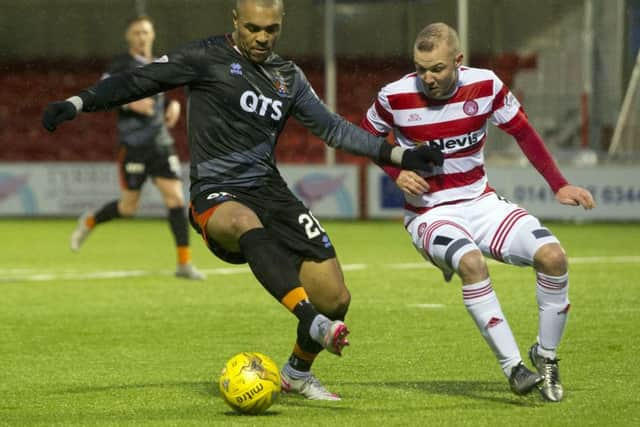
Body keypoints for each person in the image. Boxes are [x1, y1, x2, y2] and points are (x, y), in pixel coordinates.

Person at [42, 0, 442, 401]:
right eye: (253, 28)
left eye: (270, 29)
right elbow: (137, 81)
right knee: (242, 222)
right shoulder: (204, 57)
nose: (261, 37)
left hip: (269, 190)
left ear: (280, 26)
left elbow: (333, 129)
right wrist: (78, 103)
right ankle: (312, 321)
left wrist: (401, 154)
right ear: (235, 21)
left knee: (336, 297)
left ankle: (297, 373)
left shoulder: (288, 77)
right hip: (215, 192)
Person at [361, 23, 595, 402]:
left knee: (553, 257)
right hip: (429, 213)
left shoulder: (486, 85)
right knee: (472, 263)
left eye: (436, 68)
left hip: (482, 204)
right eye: (420, 69)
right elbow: (365, 137)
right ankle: (514, 368)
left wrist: (559, 184)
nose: (427, 78)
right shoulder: (395, 96)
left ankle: (546, 357)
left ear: (458, 61)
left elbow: (523, 132)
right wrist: (396, 171)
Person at [69, 15, 205, 281]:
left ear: (153, 35)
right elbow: (102, 92)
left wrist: (172, 106)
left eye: (146, 32)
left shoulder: (160, 64)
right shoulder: (121, 64)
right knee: (128, 208)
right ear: (128, 37)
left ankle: (184, 263)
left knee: (176, 199)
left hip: (160, 143)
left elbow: (157, 98)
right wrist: (129, 103)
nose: (142, 37)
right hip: (133, 146)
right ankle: (90, 221)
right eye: (137, 33)